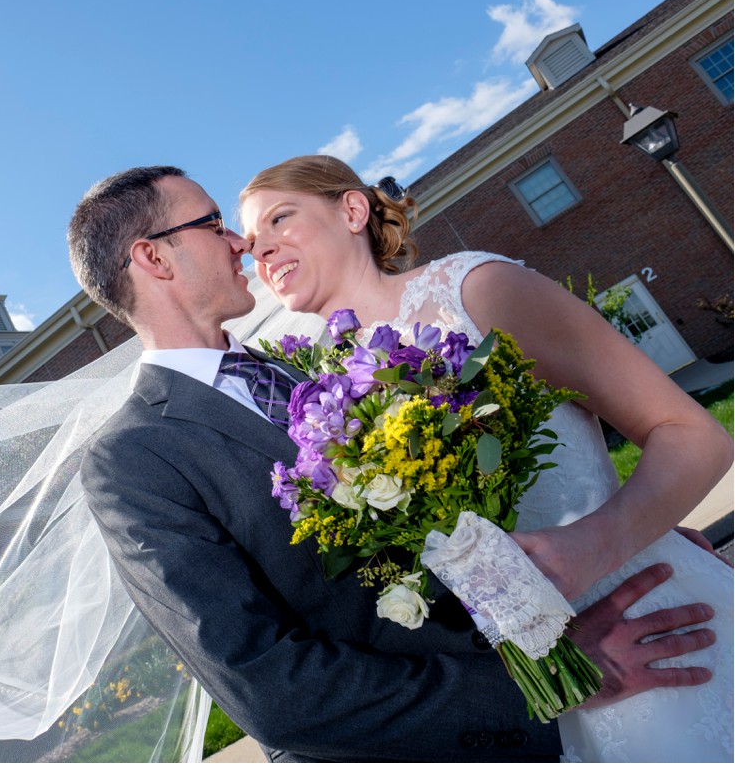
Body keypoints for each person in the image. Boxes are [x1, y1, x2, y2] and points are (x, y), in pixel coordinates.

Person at [67, 164, 722, 763]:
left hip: (615, 649)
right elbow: (274, 692)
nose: (245, 246)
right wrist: (544, 684)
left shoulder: (325, 372)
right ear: (153, 256)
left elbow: (448, 530)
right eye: (215, 227)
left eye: (271, 222)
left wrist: (628, 536)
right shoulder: (133, 458)